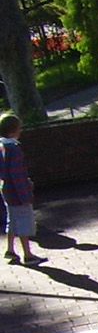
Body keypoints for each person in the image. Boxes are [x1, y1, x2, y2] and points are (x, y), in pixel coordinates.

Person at [0, 112, 41, 265]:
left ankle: (10, 249)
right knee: (25, 221)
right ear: (13, 131)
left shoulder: (2, 146)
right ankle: (28, 254)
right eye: (19, 129)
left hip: (6, 190)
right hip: (18, 192)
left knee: (13, 220)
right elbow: (16, 174)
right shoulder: (14, 149)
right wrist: (26, 193)